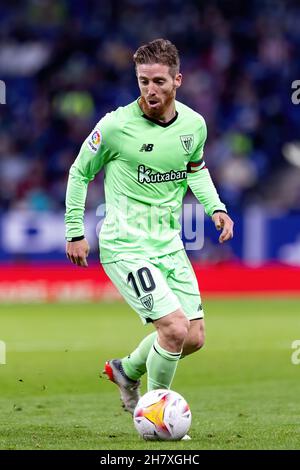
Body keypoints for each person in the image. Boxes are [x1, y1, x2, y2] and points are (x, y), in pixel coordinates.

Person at [65, 39, 234, 418]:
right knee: (173, 328)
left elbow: (197, 170)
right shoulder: (115, 126)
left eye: (158, 81)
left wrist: (216, 208)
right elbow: (80, 172)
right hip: (126, 244)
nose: (150, 90)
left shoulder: (193, 125)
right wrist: (74, 230)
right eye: (143, 81)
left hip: (168, 243)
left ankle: (126, 370)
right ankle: (156, 414)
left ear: (178, 80)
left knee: (192, 337)